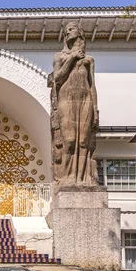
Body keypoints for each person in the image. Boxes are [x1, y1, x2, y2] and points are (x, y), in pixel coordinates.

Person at [50, 21, 100, 189]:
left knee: (84, 141)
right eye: (66, 31)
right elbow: (57, 79)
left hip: (85, 99)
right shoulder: (60, 57)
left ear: (79, 32)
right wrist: (71, 58)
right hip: (66, 99)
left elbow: (92, 85)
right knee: (69, 140)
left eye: (71, 29)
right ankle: (66, 178)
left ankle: (84, 179)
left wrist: (95, 109)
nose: (67, 33)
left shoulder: (89, 60)